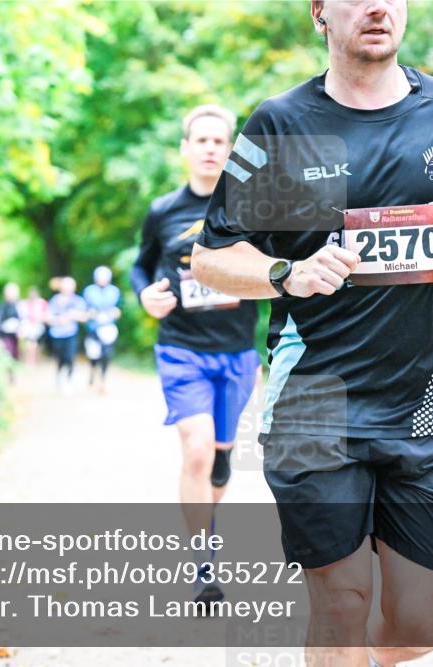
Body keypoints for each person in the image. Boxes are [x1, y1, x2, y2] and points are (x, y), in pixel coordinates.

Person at [191, 2, 433, 665]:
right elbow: (212, 256)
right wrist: (287, 271)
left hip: (424, 407)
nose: (377, 7)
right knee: (340, 602)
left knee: (419, 624)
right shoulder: (279, 124)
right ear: (319, 13)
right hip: (314, 399)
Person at [130, 104, 260, 607]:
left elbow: (272, 267)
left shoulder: (249, 209)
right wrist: (145, 295)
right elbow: (140, 267)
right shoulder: (163, 211)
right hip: (181, 348)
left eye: (219, 141)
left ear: (230, 151)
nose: (210, 148)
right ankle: (203, 567)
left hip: (237, 353)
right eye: (201, 140)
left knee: (220, 461)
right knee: (196, 448)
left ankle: (216, 482)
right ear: (185, 150)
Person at [82, 265, 121, 393]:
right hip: (93, 328)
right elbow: (84, 310)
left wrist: (116, 312)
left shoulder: (114, 291)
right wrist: (90, 313)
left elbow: (119, 309)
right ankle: (93, 372)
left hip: (108, 328)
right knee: (94, 355)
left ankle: (103, 381)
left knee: (106, 354)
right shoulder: (89, 291)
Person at [47, 276, 87, 394]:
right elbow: (48, 317)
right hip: (57, 334)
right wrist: (59, 319)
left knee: (70, 357)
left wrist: (74, 315)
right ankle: (59, 377)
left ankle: (69, 380)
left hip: (71, 334)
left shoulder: (78, 301)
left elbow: (84, 317)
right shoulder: (55, 300)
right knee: (60, 358)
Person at [0, 282, 21, 382]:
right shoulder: (0, 307)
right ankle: (9, 374)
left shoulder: (19, 306)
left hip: (16, 335)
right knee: (8, 353)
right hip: (5, 335)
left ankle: (13, 372)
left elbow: (23, 319)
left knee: (15, 355)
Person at [18, 286, 49, 365]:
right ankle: (30, 361)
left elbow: (47, 315)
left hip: (39, 327)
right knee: (30, 344)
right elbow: (21, 317)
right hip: (28, 327)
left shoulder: (42, 303)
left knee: (35, 345)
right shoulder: (23, 303)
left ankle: (33, 360)